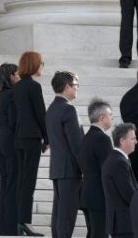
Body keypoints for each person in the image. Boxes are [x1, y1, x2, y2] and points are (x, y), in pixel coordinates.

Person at [13, 51, 48, 236]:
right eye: (42, 62)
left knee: (22, 180)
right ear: (34, 64)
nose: (43, 66)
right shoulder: (34, 87)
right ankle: (24, 221)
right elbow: (41, 114)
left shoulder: (17, 86)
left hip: (19, 137)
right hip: (32, 137)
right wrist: (47, 138)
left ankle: (20, 220)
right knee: (29, 181)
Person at [46, 71, 83, 238]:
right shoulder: (68, 110)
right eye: (76, 85)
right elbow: (77, 144)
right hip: (70, 169)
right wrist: (86, 167)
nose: (77, 89)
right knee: (67, 215)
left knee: (59, 213)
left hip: (57, 168)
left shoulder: (52, 108)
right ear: (67, 86)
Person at [80, 99, 114, 238]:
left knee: (93, 233)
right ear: (101, 117)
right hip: (99, 196)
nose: (112, 117)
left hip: (88, 194)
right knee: (100, 234)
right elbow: (107, 170)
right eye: (110, 114)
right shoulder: (102, 139)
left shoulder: (86, 138)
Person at [102, 123, 138, 238]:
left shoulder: (118, 159)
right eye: (132, 138)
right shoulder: (119, 162)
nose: (136, 141)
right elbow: (129, 194)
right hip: (124, 224)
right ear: (122, 140)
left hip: (122, 223)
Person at [0, 63, 20, 235]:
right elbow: (13, 121)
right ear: (11, 76)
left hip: (1, 141)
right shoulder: (12, 95)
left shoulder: (0, 95)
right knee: (12, 185)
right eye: (17, 74)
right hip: (11, 142)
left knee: (5, 185)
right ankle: (11, 227)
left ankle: (4, 227)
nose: (19, 77)